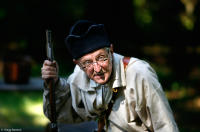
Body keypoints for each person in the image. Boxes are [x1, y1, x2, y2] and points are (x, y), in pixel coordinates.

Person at [41, 20, 179, 132]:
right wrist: (53, 84)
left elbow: (165, 126)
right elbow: (59, 115)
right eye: (87, 62)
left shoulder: (139, 74)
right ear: (77, 64)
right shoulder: (79, 75)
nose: (97, 69)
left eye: (101, 58)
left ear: (111, 51)